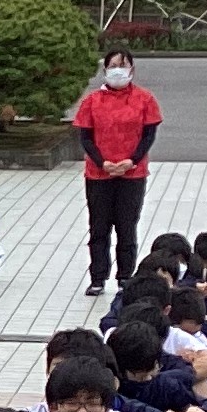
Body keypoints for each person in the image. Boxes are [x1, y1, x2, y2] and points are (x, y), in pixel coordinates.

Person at [69, 47, 161, 297]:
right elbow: (86, 137)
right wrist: (102, 163)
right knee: (99, 227)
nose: (118, 70)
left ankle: (124, 277)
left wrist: (132, 161)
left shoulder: (145, 99)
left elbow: (148, 135)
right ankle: (98, 277)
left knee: (126, 227)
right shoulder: (91, 101)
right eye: (112, 65)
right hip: (99, 174)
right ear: (105, 69)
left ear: (132, 69)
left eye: (123, 64)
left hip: (132, 173)